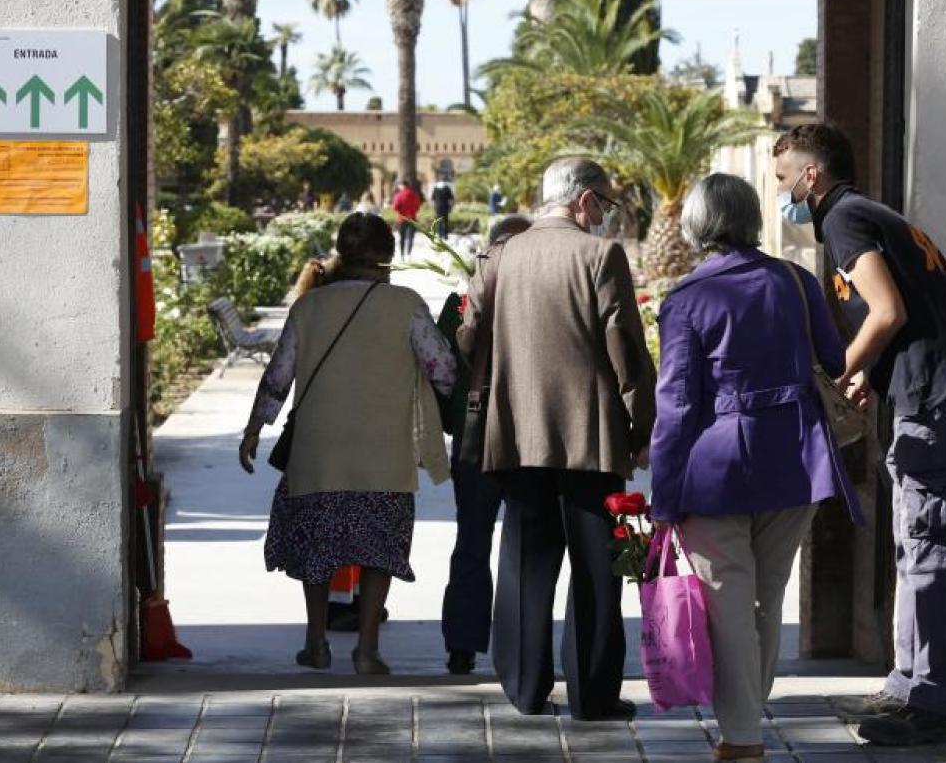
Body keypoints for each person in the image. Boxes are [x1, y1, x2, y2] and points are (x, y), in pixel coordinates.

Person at [772, 124, 946, 746]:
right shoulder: (869, 215)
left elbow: (887, 310)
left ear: (811, 175)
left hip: (933, 397)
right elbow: (901, 313)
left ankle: (929, 703)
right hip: (927, 389)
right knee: (913, 539)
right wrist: (873, 368)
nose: (782, 193)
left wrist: (838, 370)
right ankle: (906, 684)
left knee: (924, 543)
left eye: (784, 177)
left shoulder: (844, 219)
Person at [649, 174, 862, 763]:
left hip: (715, 467)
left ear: (695, 225)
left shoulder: (687, 299)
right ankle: (744, 722)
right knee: (766, 597)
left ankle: (742, 736)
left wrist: (663, 494)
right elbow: (835, 358)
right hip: (794, 457)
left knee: (728, 601)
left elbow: (678, 406)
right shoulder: (794, 281)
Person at [462, 158, 656, 721]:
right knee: (598, 568)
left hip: (517, 432)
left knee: (525, 559)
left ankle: (524, 687)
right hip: (590, 438)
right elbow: (626, 349)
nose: (606, 217)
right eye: (606, 204)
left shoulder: (500, 255)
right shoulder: (599, 256)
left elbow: (468, 332)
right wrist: (641, 428)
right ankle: (593, 695)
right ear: (585, 201)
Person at [239, 212, 456, 676]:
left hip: (319, 453)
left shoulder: (309, 307)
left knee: (317, 548)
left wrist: (254, 429)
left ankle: (316, 643)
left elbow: (279, 374)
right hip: (385, 450)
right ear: (388, 256)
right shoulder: (407, 305)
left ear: (342, 251)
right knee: (380, 548)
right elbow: (442, 369)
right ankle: (367, 650)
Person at [437, 215, 534, 676]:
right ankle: (520, 646)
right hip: (529, 437)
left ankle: (463, 644)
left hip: (474, 437)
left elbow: (441, 374)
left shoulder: (459, 304)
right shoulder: (542, 301)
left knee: (472, 540)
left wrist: (447, 423)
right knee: (527, 543)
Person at [391, 180, 423, 259]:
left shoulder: (398, 195)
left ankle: (402, 255)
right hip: (412, 218)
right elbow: (418, 206)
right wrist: (413, 211)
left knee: (402, 237)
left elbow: (395, 207)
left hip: (402, 219)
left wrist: (399, 211)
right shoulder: (414, 194)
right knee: (411, 237)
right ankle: (409, 253)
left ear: (402, 186)